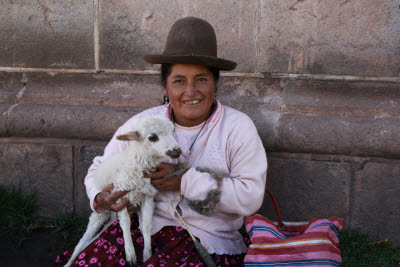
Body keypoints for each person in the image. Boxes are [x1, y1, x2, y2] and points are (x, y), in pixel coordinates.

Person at [54, 16, 267, 266]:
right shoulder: (143, 125)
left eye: (201, 79)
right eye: (179, 81)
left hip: (206, 241)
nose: (190, 91)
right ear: (165, 87)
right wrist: (102, 198)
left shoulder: (237, 128)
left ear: (216, 84)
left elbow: (251, 197)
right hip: (140, 233)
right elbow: (96, 170)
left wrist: (184, 180)